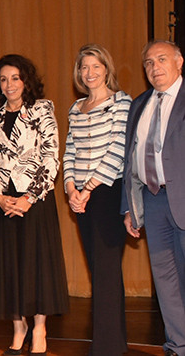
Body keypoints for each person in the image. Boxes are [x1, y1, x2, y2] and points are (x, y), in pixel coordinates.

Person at [0, 54, 68, 356]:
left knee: (36, 265)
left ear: (26, 81)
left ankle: (39, 328)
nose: (9, 85)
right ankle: (19, 328)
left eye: (15, 78)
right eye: (3, 79)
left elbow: (50, 156)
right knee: (9, 267)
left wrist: (29, 198)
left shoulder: (42, 109)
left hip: (35, 200)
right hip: (3, 202)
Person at [62, 44, 131, 356]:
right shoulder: (76, 108)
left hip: (107, 192)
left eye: (95, 66)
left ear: (106, 69)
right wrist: (71, 189)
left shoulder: (121, 102)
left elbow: (118, 149)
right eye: (84, 67)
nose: (89, 73)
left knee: (106, 270)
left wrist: (88, 188)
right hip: (81, 197)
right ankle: (112, 344)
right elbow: (70, 151)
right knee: (98, 270)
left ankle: (106, 348)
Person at [122, 40, 185, 356]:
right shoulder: (140, 104)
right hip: (153, 199)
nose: (155, 67)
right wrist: (129, 207)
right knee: (165, 278)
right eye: (149, 62)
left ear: (179, 62)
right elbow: (130, 160)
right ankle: (178, 344)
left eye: (162, 59)